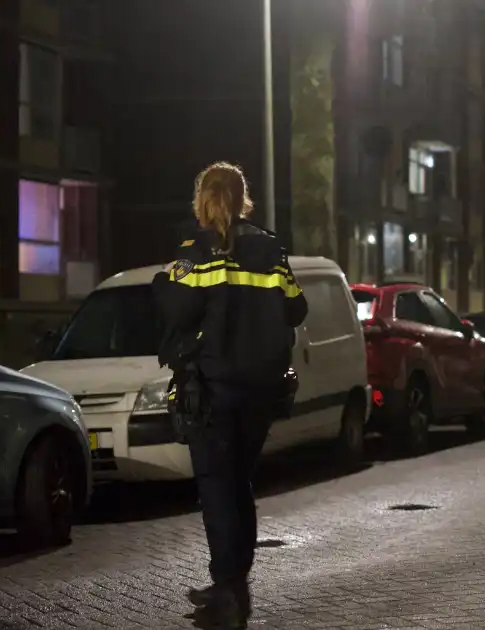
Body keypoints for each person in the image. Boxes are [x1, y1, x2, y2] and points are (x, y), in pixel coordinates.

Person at [152, 162, 307, 629]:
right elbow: (296, 308)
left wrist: (163, 280)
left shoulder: (195, 250)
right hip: (261, 389)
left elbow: (178, 310)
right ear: (243, 199)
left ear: (202, 199)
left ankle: (226, 591)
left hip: (213, 389)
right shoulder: (270, 247)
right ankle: (235, 583)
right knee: (239, 483)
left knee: (217, 488)